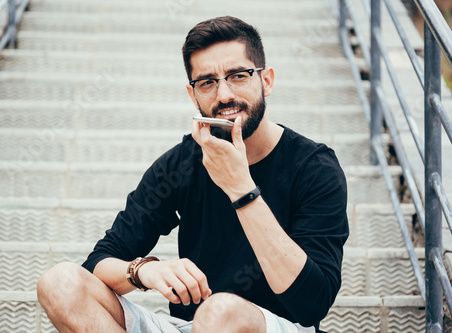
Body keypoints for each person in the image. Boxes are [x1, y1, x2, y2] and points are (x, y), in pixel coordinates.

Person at [37, 16, 349, 333]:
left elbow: (313, 303)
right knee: (60, 282)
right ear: (193, 95)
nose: (224, 94)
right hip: (191, 326)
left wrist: (241, 188)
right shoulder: (182, 163)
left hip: (277, 326)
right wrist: (143, 271)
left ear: (266, 80)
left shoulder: (314, 167)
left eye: (238, 76)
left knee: (221, 312)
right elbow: (99, 262)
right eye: (208, 82)